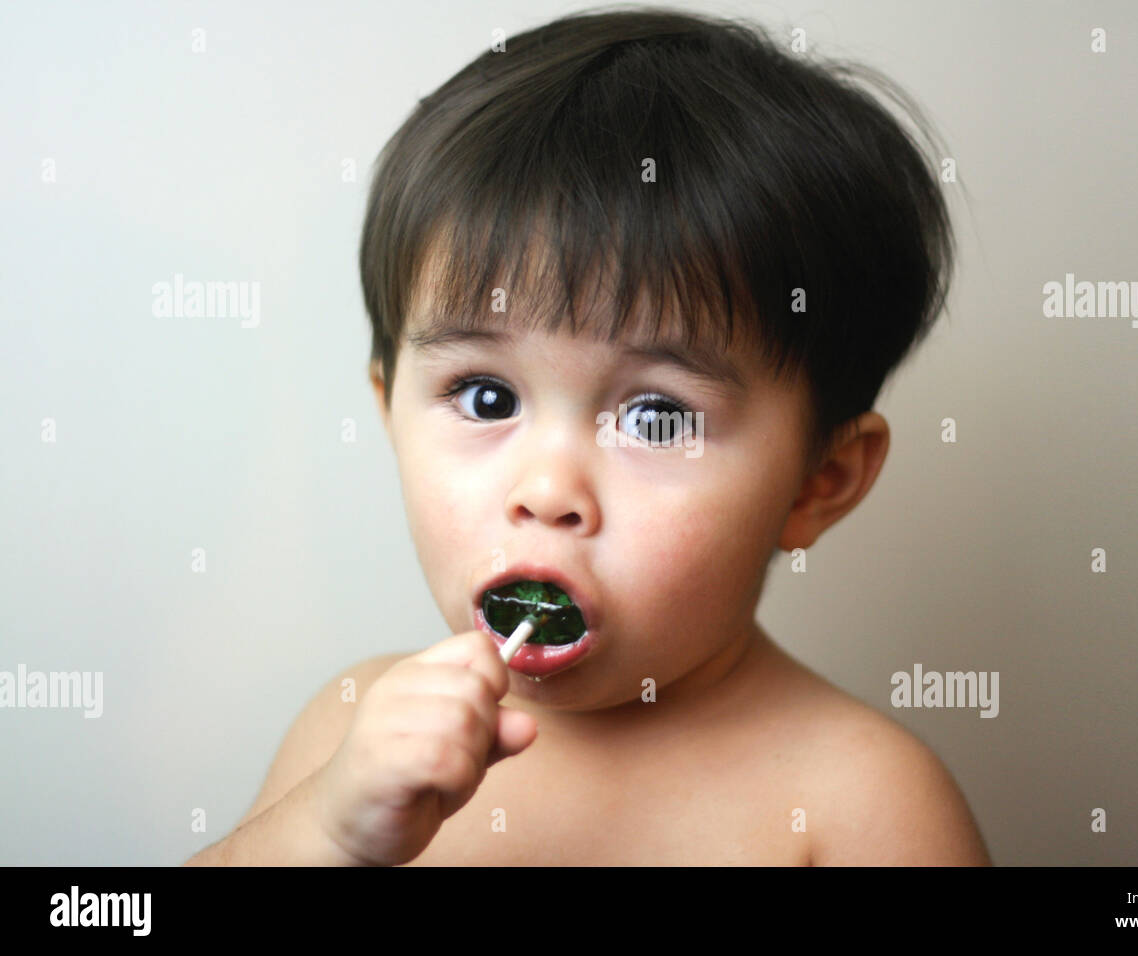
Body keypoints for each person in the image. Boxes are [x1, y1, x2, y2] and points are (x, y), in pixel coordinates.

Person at [185, 5, 990, 866]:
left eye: (657, 418)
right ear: (389, 416)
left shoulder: (863, 805)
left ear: (816, 483)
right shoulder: (353, 730)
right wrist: (324, 833)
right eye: (487, 397)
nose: (547, 491)